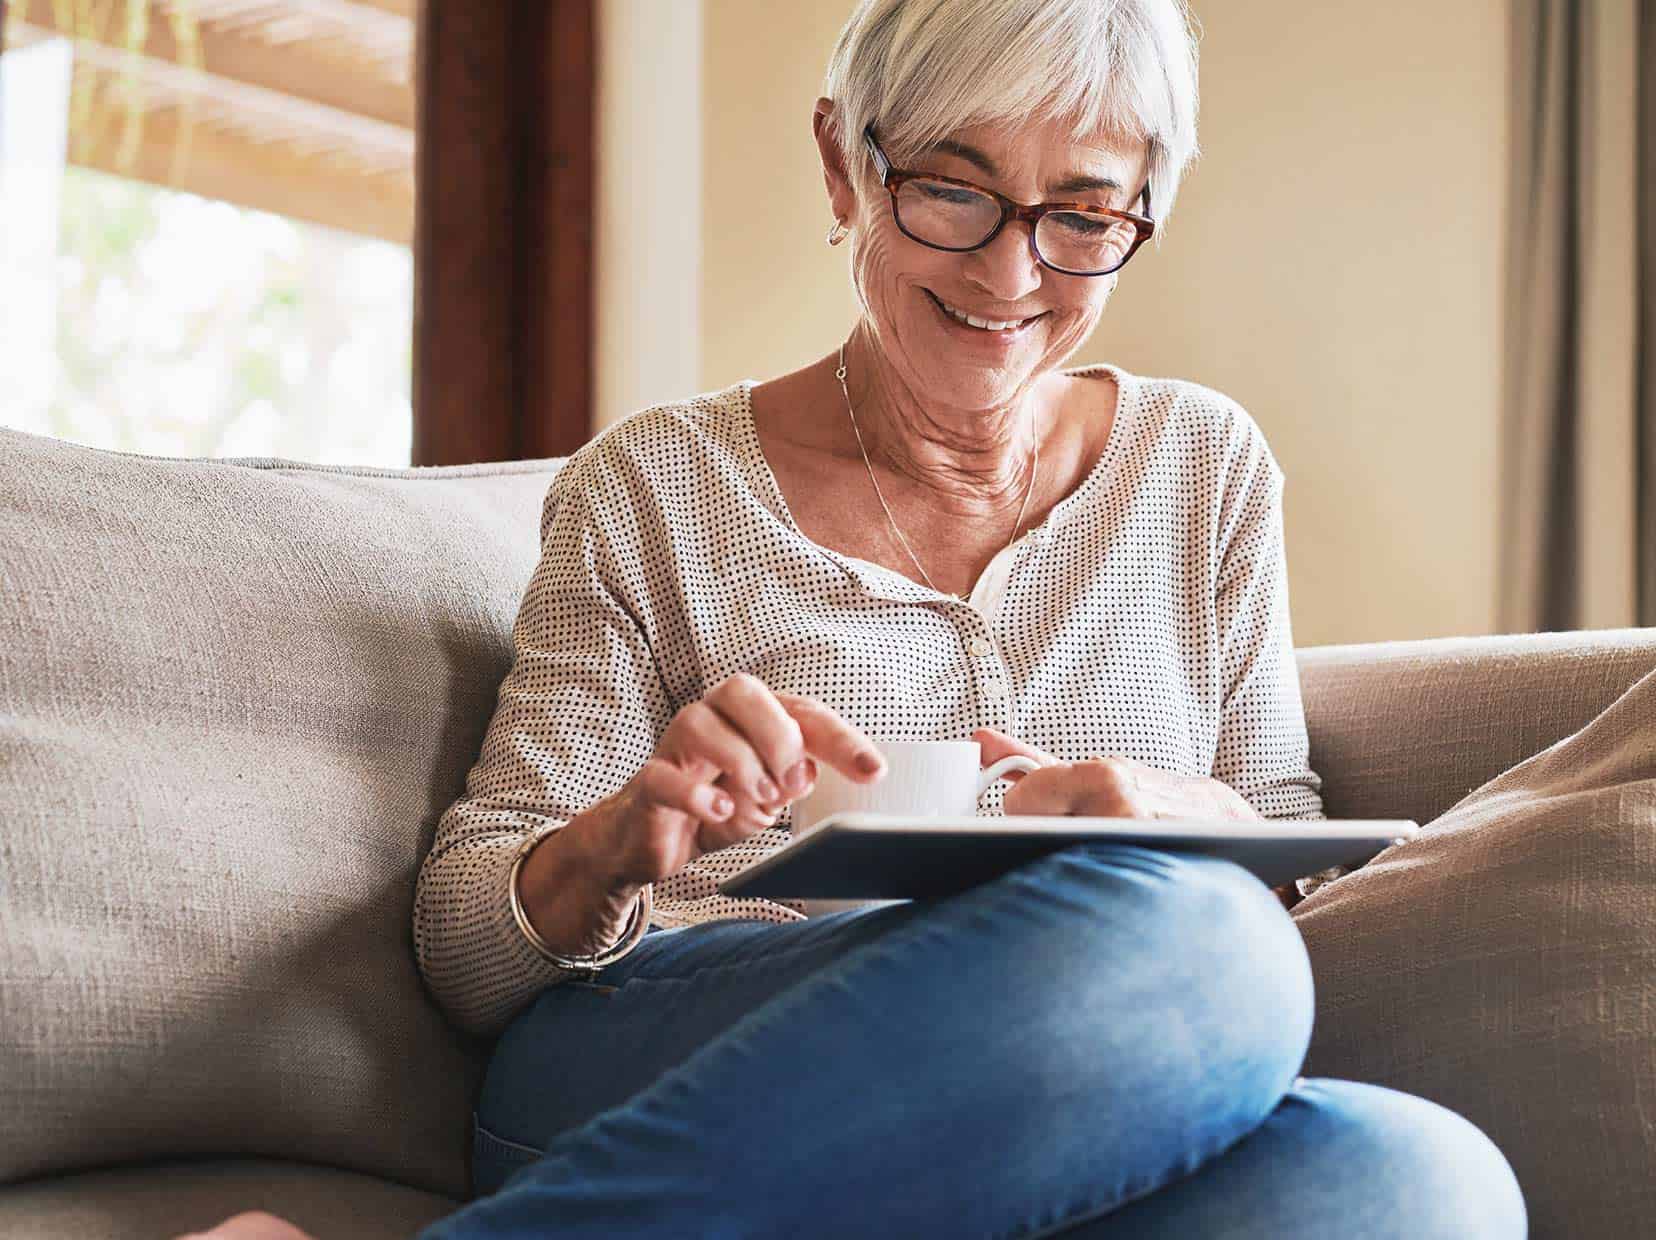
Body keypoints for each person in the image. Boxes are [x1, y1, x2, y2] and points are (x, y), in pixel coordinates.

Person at [185, 1, 1526, 1236]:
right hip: (682, 1050)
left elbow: (1289, 858)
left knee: (1424, 1182)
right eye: (954, 190)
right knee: (1202, 946)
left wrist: (1188, 816)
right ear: (845, 166)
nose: (1010, 272)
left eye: (1081, 216)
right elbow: (466, 953)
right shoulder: (658, 487)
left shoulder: (1204, 468)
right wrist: (622, 838)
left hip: (1035, 1096)